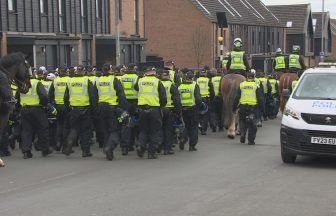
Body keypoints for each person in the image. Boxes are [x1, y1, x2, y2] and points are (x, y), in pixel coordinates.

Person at [16, 75, 54, 159]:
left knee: (26, 130)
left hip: (24, 109)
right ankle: (45, 149)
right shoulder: (37, 83)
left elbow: (17, 97)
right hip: (37, 109)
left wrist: (18, 109)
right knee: (43, 128)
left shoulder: (21, 84)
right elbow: (44, 96)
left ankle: (26, 151)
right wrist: (44, 105)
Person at [63, 66, 97, 157]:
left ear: (76, 71)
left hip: (74, 109)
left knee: (74, 128)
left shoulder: (70, 81)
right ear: (84, 72)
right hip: (85, 109)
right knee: (85, 131)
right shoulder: (86, 81)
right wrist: (94, 109)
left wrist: (67, 108)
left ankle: (70, 141)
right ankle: (85, 151)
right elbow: (92, 96)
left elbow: (65, 97)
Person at [95, 64, 126, 160]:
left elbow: (93, 95)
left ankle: (106, 148)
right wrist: (122, 108)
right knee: (115, 130)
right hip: (111, 108)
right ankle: (110, 147)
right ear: (111, 70)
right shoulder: (114, 80)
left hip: (101, 107)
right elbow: (121, 94)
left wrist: (95, 108)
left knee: (105, 129)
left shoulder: (98, 80)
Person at [134, 68, 167, 159]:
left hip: (142, 109)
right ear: (154, 73)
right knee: (154, 131)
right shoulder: (157, 82)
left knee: (143, 130)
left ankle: (141, 146)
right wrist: (161, 106)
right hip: (154, 109)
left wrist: (142, 77)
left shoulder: (140, 81)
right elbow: (163, 97)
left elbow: (135, 87)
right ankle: (151, 153)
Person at [233, 70, 264, 145]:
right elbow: (260, 98)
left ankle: (242, 134)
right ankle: (251, 140)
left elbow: (237, 97)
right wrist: (262, 109)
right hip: (253, 108)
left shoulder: (242, 85)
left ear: (246, 77)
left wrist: (234, 107)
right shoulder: (256, 86)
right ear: (253, 77)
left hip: (243, 107)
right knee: (253, 125)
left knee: (242, 121)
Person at [159, 70, 182, 155]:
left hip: (160, 109)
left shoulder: (158, 83)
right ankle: (167, 149)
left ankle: (159, 146)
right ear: (168, 76)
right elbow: (176, 100)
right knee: (168, 130)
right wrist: (178, 111)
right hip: (169, 110)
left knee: (160, 128)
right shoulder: (172, 85)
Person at [178, 69, 202, 151]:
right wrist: (198, 107)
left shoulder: (180, 87)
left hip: (183, 109)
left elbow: (177, 99)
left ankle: (183, 139)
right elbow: (198, 99)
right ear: (192, 78)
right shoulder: (194, 85)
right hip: (193, 109)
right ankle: (192, 145)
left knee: (186, 126)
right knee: (194, 127)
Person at [49, 66, 70, 152]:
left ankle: (58, 142)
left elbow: (50, 94)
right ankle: (65, 146)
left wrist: (51, 106)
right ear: (66, 72)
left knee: (59, 125)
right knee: (66, 126)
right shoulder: (69, 80)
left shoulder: (55, 80)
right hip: (66, 106)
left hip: (57, 106)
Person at [120, 64, 140, 155]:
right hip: (135, 104)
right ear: (134, 69)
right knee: (136, 124)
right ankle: (136, 144)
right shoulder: (137, 78)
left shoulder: (122, 78)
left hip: (124, 104)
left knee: (125, 123)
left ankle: (125, 147)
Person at [196, 69, 215, 135]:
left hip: (197, 99)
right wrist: (211, 99)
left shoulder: (196, 80)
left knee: (198, 114)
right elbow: (212, 91)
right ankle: (203, 129)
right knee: (205, 114)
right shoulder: (208, 80)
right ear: (206, 74)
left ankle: (199, 126)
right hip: (205, 99)